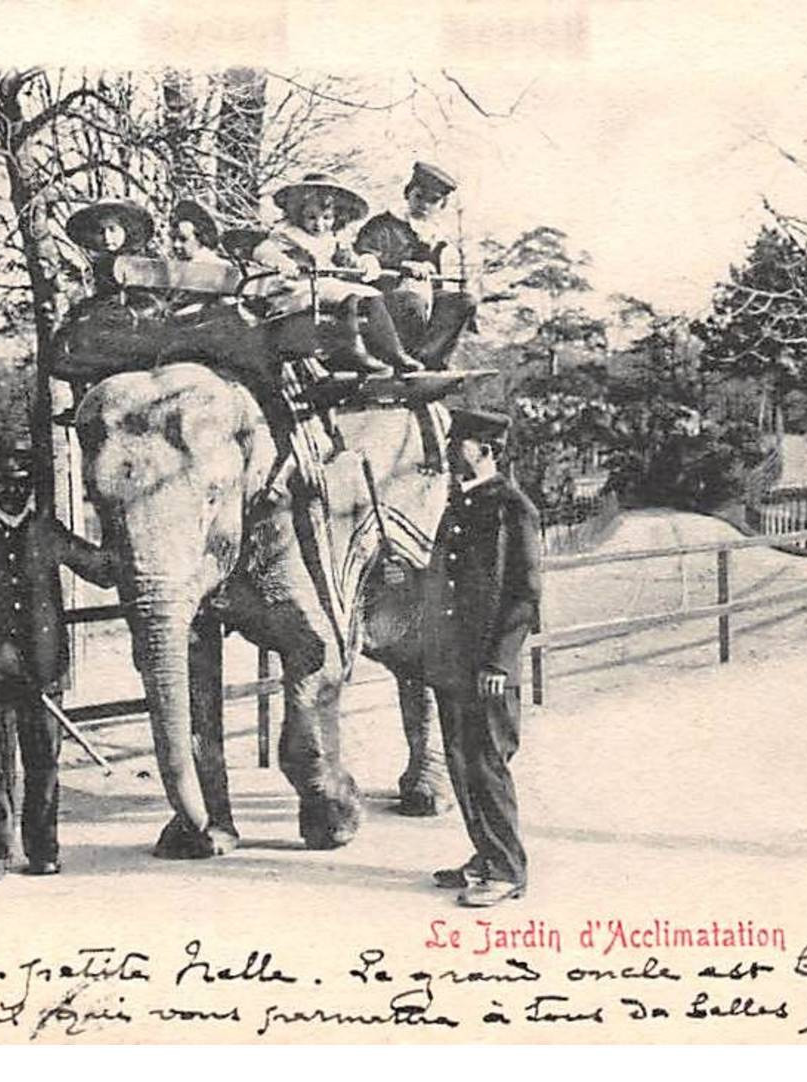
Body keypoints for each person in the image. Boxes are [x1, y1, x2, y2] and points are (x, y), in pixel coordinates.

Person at [0, 447, 117, 885]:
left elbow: (103, 570)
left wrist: (118, 521)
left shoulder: (47, 531)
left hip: (44, 672)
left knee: (44, 765)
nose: (13, 490)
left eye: (22, 483)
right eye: (4, 482)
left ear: (31, 486)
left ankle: (43, 850)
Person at [421, 408, 542, 907]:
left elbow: (525, 595)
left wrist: (500, 662)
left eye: (460, 445)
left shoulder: (512, 508)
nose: (451, 453)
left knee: (488, 764)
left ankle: (508, 869)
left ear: (485, 450)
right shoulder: (461, 505)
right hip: (453, 661)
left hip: (489, 667)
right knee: (460, 761)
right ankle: (485, 855)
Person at [254, 171, 424, 375]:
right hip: (298, 289)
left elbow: (349, 260)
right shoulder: (286, 234)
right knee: (347, 293)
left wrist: (364, 263)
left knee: (370, 295)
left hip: (326, 287)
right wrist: (282, 262)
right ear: (298, 213)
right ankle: (350, 349)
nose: (319, 224)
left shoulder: (331, 240)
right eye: (311, 217)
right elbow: (262, 250)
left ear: (336, 218)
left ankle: (392, 351)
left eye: (326, 218)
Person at [355, 161, 479, 369]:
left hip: (423, 298)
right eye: (419, 196)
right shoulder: (383, 224)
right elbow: (363, 257)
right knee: (412, 302)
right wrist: (402, 265)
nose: (424, 205)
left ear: (442, 205)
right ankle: (403, 357)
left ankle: (428, 357)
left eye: (433, 200)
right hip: (383, 297)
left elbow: (434, 283)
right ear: (408, 194)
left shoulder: (435, 237)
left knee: (464, 301)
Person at [65, 198, 156, 300]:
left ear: (126, 229)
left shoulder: (144, 262)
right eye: (100, 232)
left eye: (112, 229)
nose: (107, 238)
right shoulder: (96, 266)